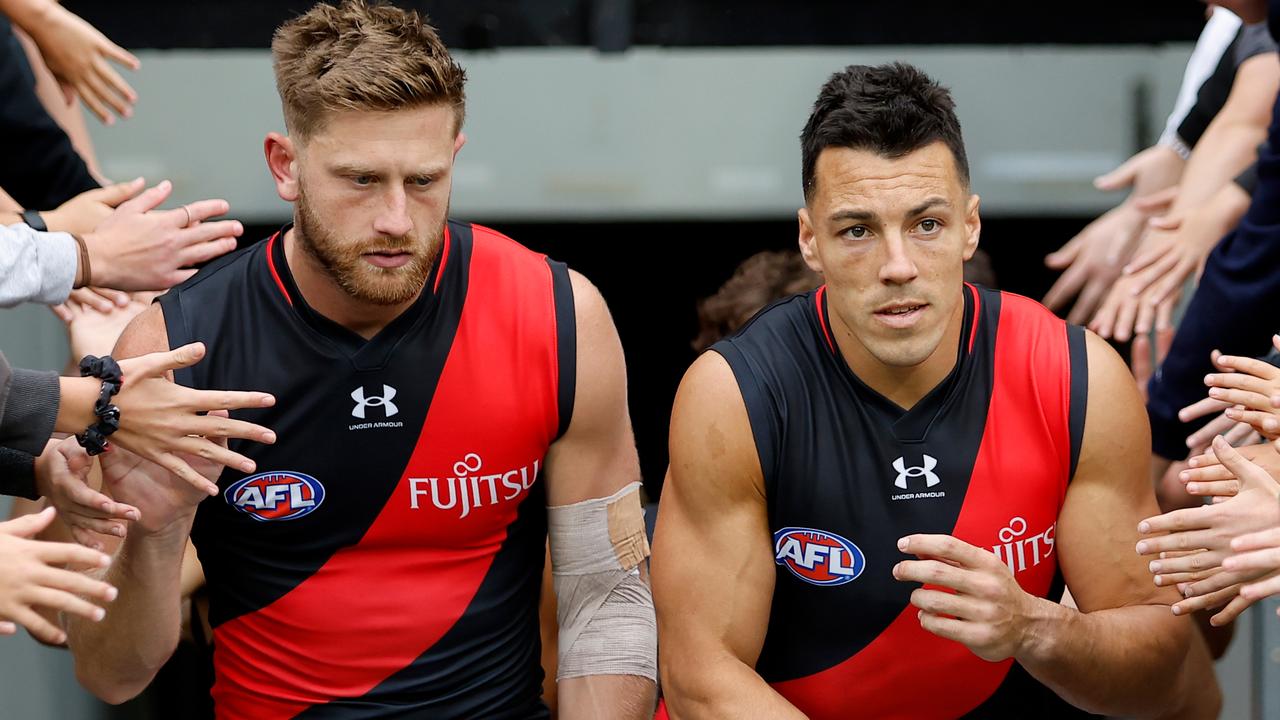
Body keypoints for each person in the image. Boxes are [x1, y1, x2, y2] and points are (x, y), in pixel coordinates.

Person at [64, 2, 657, 717]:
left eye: (425, 181)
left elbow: (607, 602)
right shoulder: (177, 349)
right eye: (361, 181)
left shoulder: (559, 317)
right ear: (286, 165)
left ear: (454, 158)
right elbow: (111, 676)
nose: (397, 221)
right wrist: (156, 540)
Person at [652, 63, 1196, 719]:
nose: (898, 266)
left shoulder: (1072, 375)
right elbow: (699, 679)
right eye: (857, 230)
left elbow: (1159, 674)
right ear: (810, 240)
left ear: (970, 226)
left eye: (927, 224)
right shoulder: (737, 393)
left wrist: (1032, 627)